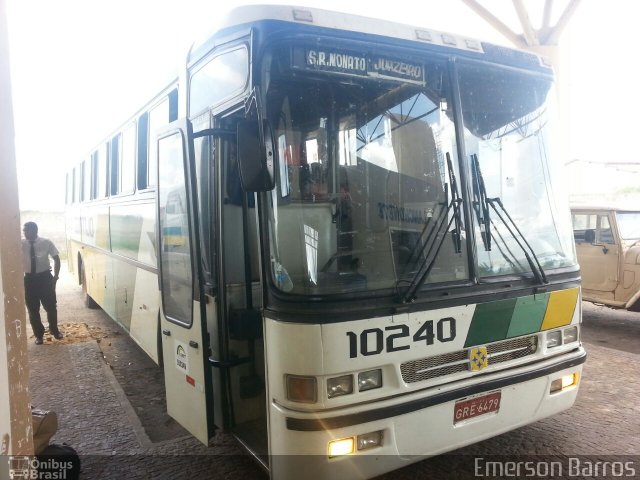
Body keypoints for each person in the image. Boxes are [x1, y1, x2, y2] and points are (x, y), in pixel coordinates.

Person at [22, 221, 62, 344]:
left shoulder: (46, 242)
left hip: (45, 278)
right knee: (33, 309)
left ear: (34, 231)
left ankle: (54, 330)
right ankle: (39, 335)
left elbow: (56, 259)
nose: (24, 232)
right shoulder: (20, 244)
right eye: (23, 230)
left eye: (26, 230)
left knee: (51, 307)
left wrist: (55, 276)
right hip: (29, 279)